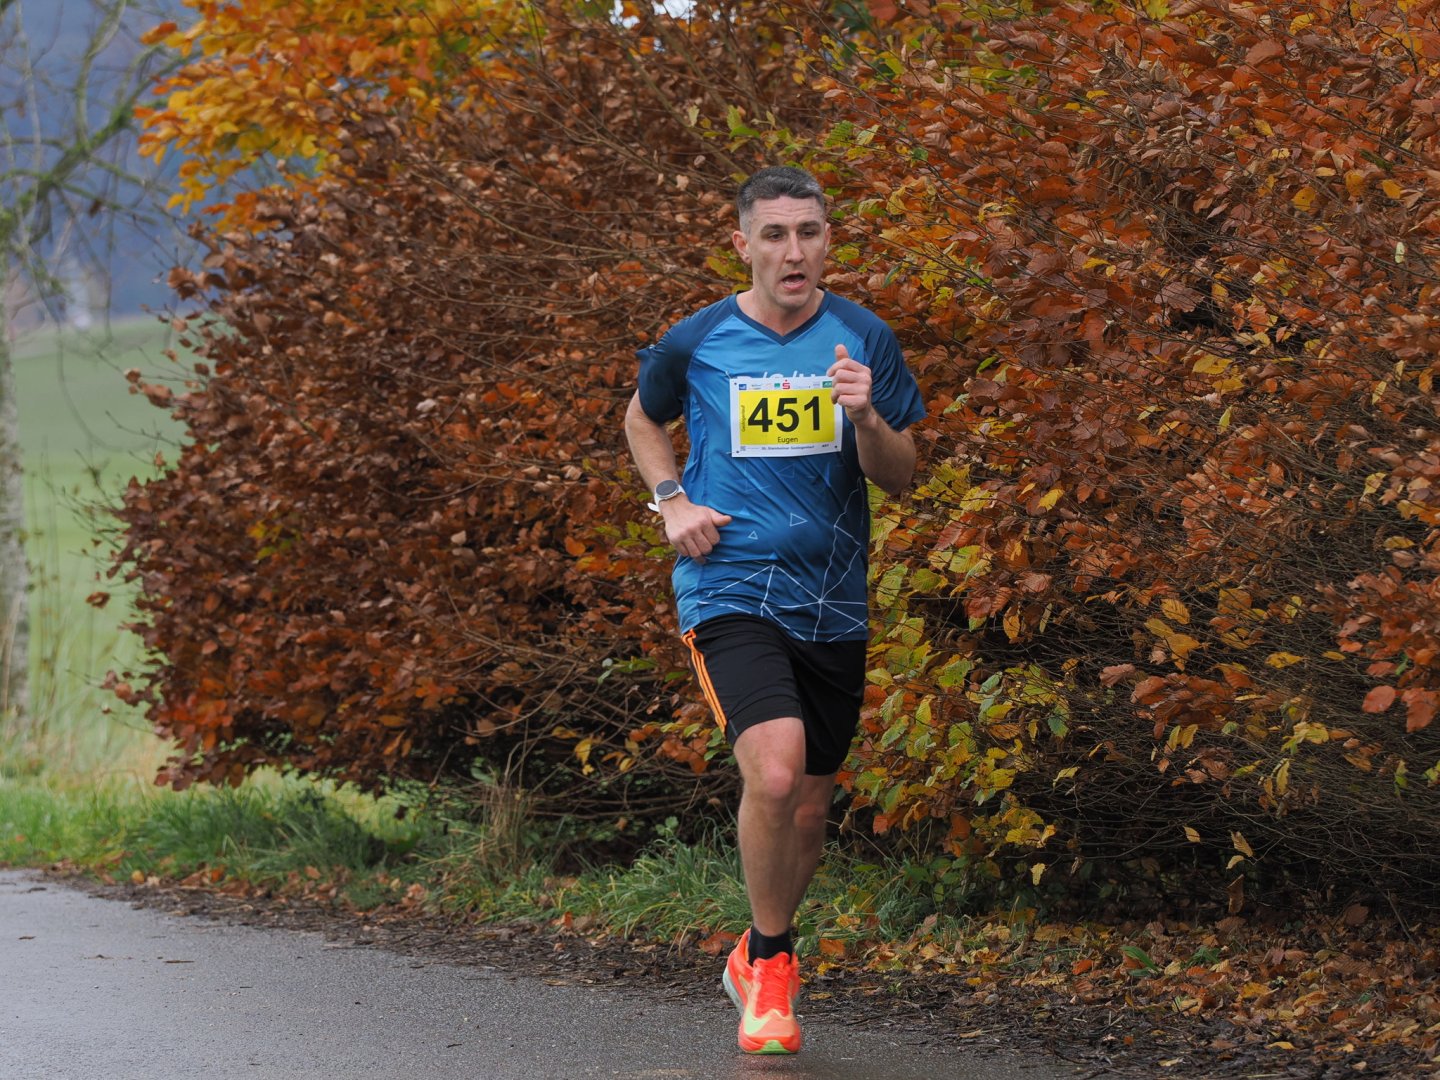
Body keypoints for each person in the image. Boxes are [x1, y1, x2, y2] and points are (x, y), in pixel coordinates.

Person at [623, 165, 925, 1055]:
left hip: (832, 597)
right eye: (775, 235)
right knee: (779, 773)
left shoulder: (863, 338)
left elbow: (901, 477)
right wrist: (672, 502)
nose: (794, 252)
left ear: (828, 241)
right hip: (728, 585)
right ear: (743, 244)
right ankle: (774, 968)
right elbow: (641, 419)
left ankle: (757, 950)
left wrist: (866, 420)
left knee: (809, 809)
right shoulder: (699, 339)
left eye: (809, 233)